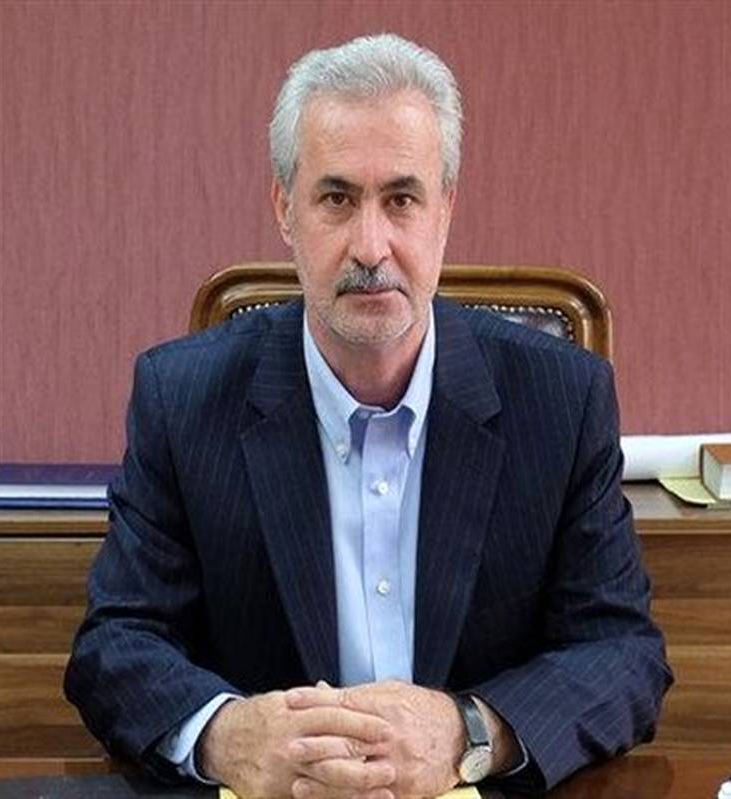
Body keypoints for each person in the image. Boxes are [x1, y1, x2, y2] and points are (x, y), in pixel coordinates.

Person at [65, 33, 671, 798]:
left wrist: (470, 731)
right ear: (285, 210)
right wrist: (226, 735)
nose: (371, 246)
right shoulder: (182, 398)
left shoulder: (560, 398)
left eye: (402, 200)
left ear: (446, 210)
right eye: (337, 198)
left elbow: (622, 653)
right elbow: (115, 646)